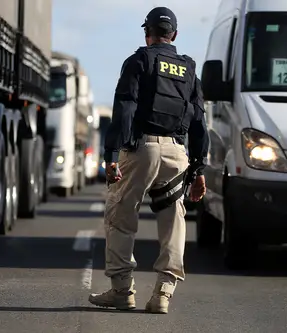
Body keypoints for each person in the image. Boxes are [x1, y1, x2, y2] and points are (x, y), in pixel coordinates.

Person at [88, 6, 209, 314]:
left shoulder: (139, 61)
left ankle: (122, 291)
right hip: (177, 154)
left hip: (142, 150)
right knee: (173, 222)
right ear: (175, 36)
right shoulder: (189, 69)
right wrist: (198, 169)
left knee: (121, 217)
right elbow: (198, 122)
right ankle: (163, 294)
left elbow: (125, 109)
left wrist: (111, 155)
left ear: (147, 33)